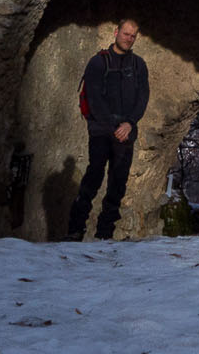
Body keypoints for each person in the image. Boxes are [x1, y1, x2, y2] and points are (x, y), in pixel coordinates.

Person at [66, 17, 150, 240]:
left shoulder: (139, 65)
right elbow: (94, 99)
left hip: (126, 131)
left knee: (118, 183)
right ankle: (75, 230)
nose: (129, 38)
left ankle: (105, 233)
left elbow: (143, 98)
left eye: (133, 35)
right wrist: (114, 127)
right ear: (116, 32)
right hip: (101, 130)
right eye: (126, 34)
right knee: (93, 177)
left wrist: (129, 123)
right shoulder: (98, 62)